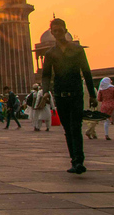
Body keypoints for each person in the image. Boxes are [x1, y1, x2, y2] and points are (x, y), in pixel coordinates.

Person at [41, 18, 97, 174]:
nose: (58, 33)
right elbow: (46, 75)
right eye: (55, 31)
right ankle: (74, 160)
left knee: (75, 127)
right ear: (52, 32)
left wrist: (92, 95)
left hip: (76, 93)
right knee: (68, 129)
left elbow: (86, 72)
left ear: (65, 30)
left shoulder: (77, 50)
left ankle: (79, 161)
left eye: (60, 30)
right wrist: (45, 91)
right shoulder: (51, 53)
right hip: (60, 94)